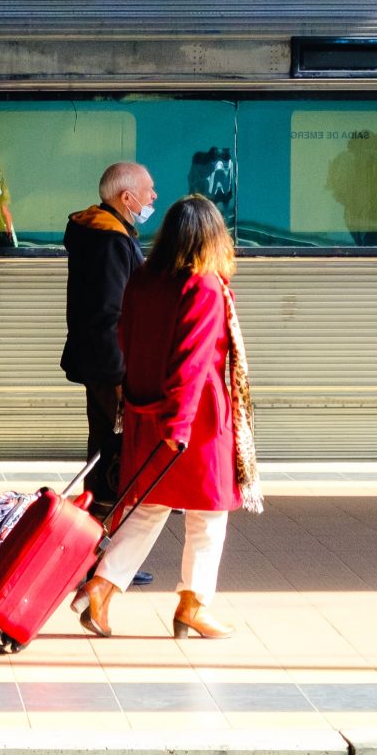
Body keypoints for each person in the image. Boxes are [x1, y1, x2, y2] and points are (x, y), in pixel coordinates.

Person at [74, 196, 260, 641]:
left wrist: (140, 408)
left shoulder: (143, 280)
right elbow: (192, 362)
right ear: (214, 237)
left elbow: (128, 341)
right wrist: (177, 427)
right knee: (208, 515)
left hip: (145, 412)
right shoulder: (204, 287)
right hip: (194, 423)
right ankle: (193, 605)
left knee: (148, 506)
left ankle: (99, 588)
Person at [62, 161, 155, 517]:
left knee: (105, 446)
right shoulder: (110, 242)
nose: (153, 196)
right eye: (149, 190)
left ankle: (97, 546)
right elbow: (108, 314)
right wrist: (118, 377)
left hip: (102, 363)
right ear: (127, 197)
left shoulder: (104, 234)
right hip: (110, 367)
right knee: (114, 452)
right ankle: (107, 549)